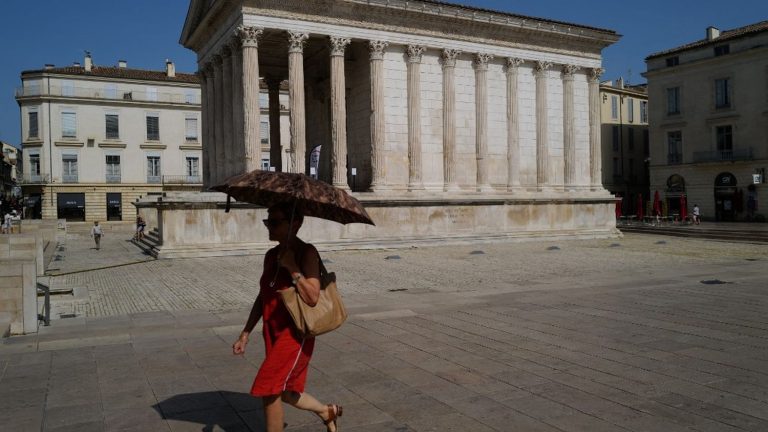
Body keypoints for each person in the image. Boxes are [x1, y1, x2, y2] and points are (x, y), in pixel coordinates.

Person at [232, 203, 342, 432]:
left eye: (274, 222)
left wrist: (292, 268)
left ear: (295, 223)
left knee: (268, 387)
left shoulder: (306, 252)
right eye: (267, 221)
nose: (268, 227)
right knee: (285, 391)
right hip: (272, 330)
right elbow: (263, 296)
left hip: (295, 333)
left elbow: (312, 297)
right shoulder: (271, 255)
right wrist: (245, 333)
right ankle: (326, 411)